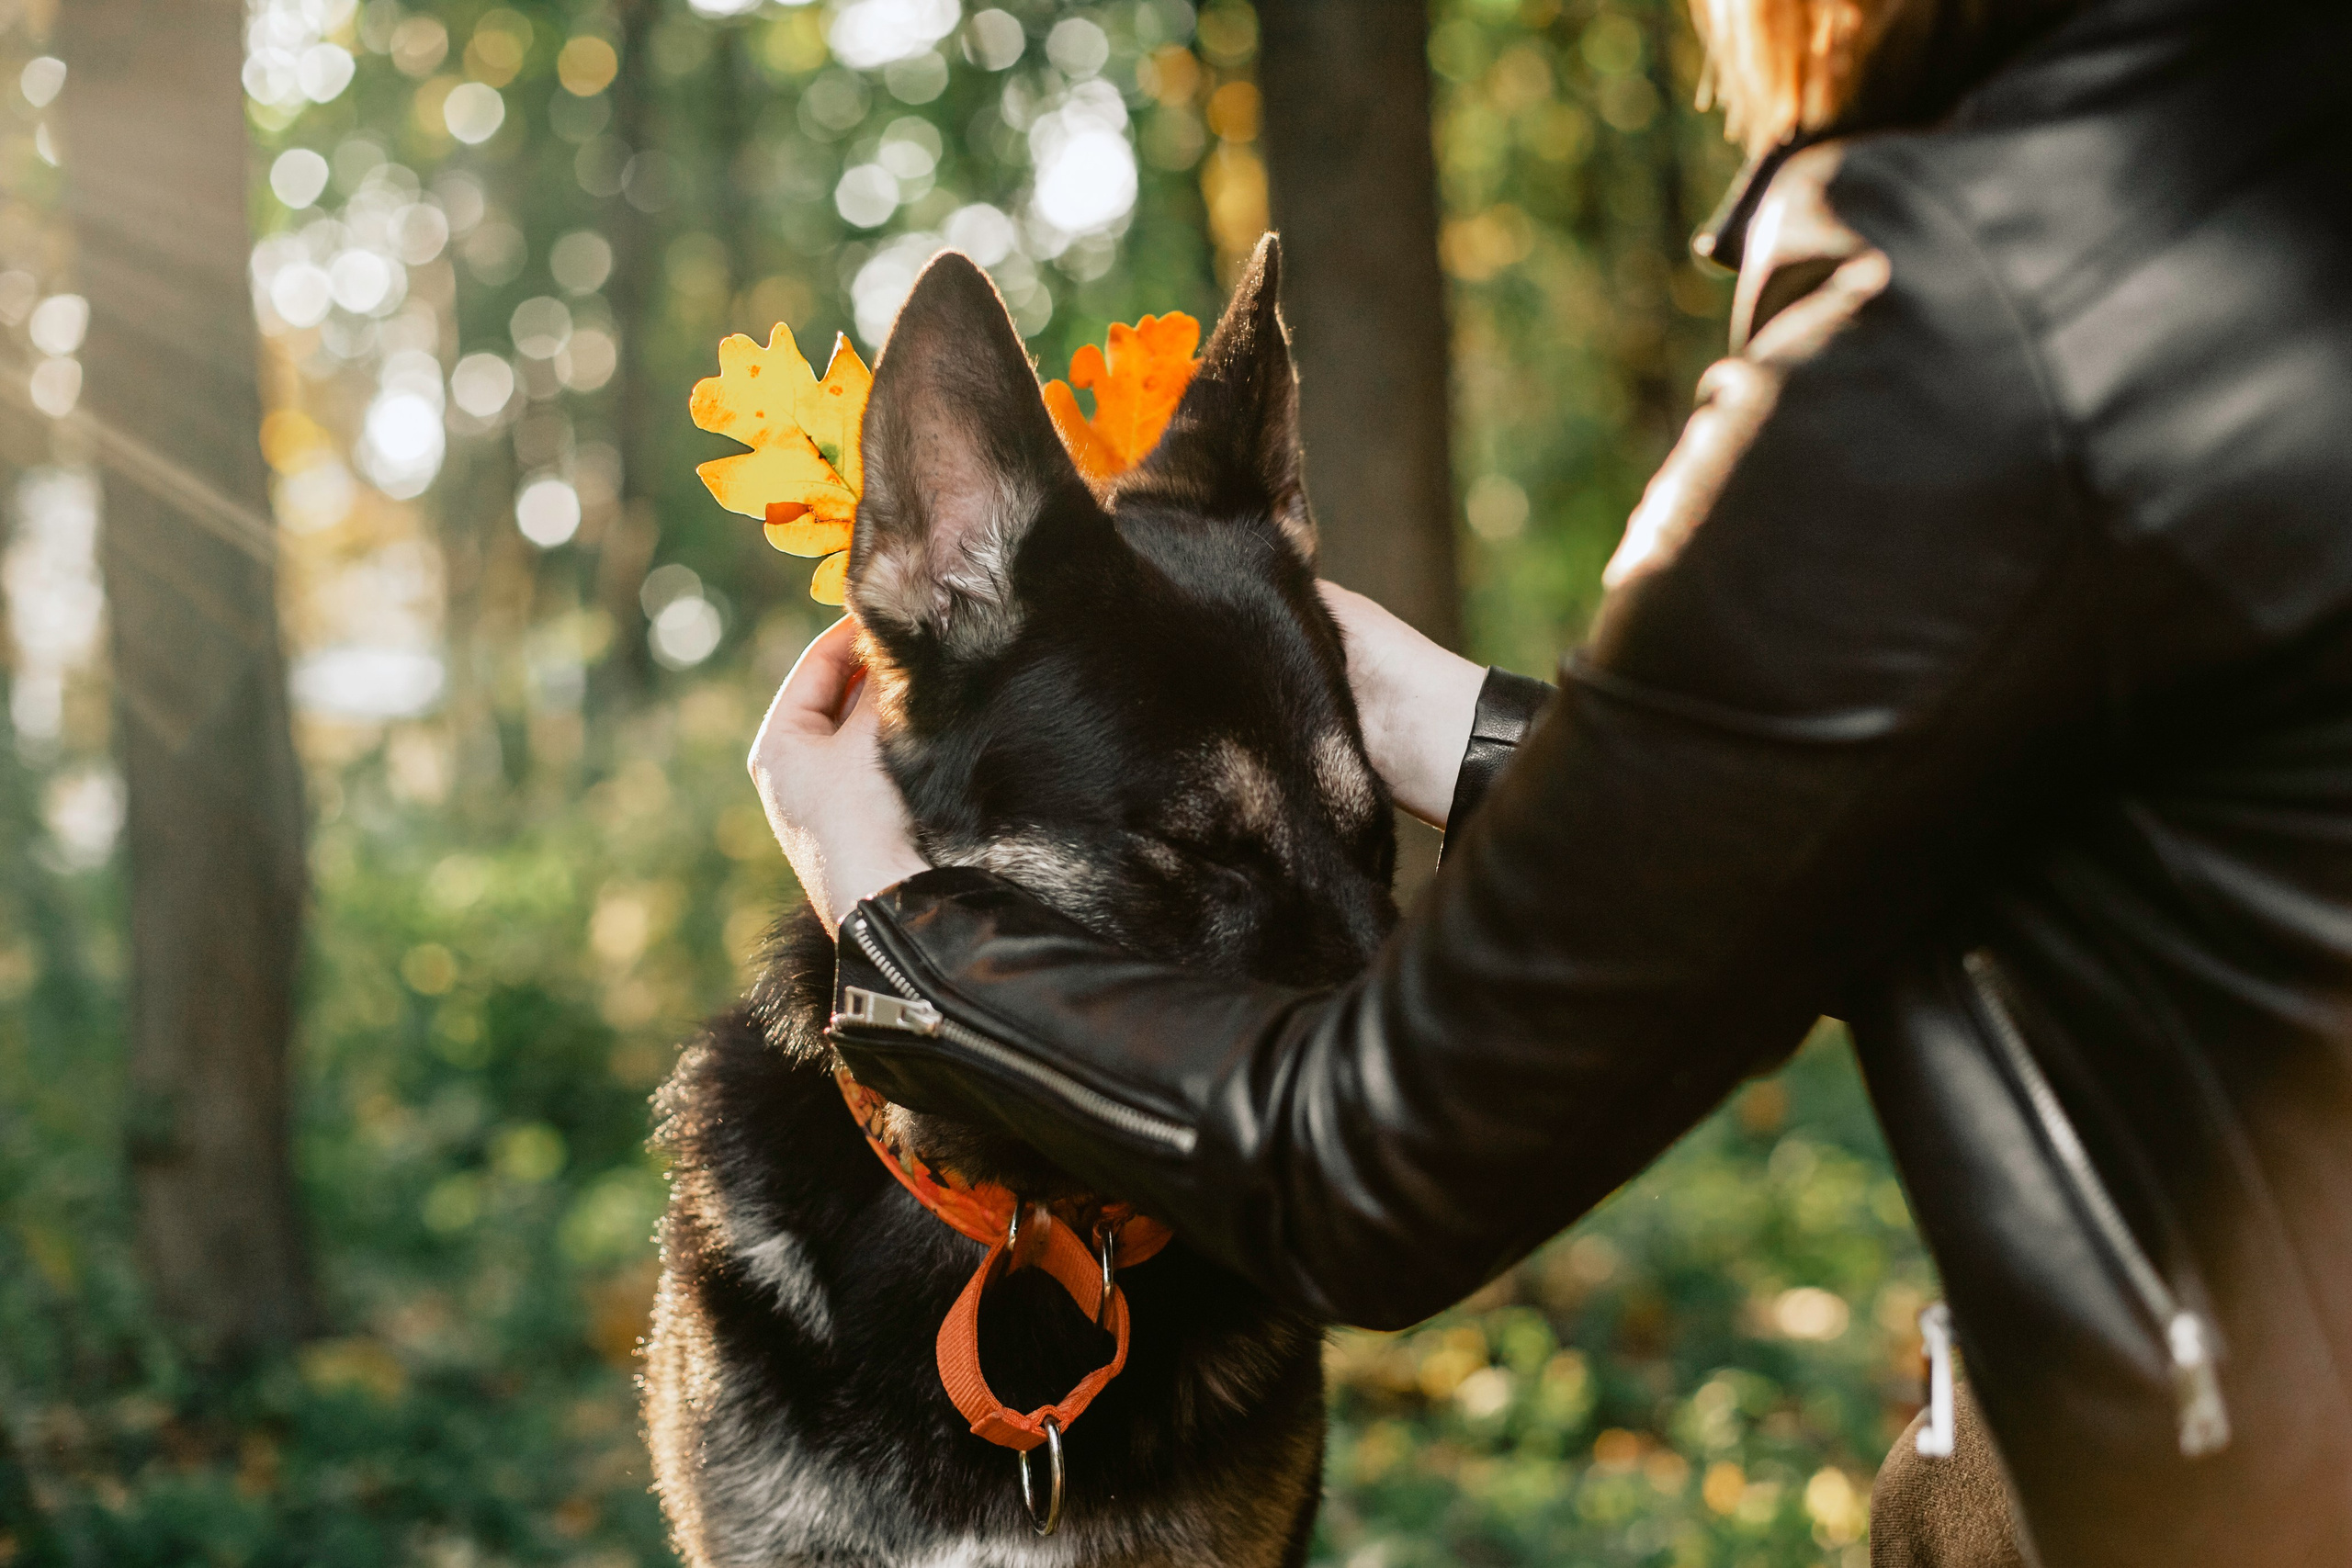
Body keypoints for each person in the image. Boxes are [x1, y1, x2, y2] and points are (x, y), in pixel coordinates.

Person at [752, 0, 2352, 1562]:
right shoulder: (2239, 185)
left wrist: (895, 926)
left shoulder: (1971, 312)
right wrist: (1451, 722)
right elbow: (2093, 906)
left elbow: (1369, 1163)